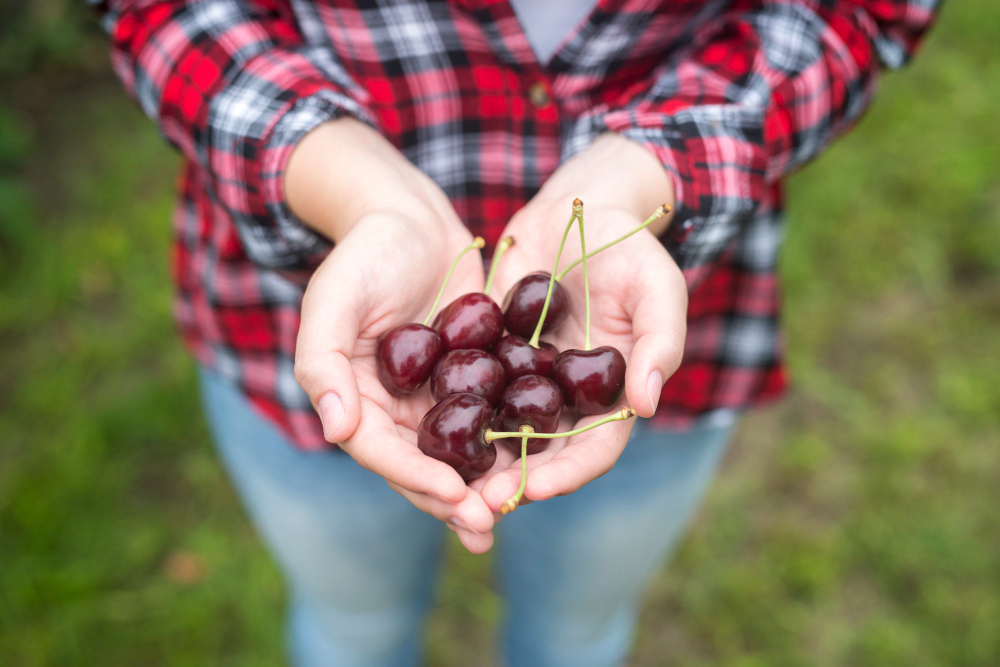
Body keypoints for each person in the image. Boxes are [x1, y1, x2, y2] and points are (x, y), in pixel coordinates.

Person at [93, 1, 940, 665]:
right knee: (354, 629)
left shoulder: (552, 354)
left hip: (660, 321)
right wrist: (350, 186)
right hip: (305, 334)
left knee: (574, 639)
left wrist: (648, 171)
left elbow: (856, 11)